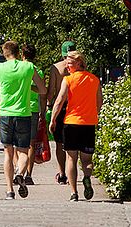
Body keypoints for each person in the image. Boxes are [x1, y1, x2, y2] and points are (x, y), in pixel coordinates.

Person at [0, 41, 46, 200]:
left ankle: (9, 191)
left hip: (6, 114)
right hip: (24, 114)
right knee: (23, 151)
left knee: (8, 153)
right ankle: (20, 173)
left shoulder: (0, 68)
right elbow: (42, 90)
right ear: (18, 52)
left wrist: (3, 89)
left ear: (5, 53)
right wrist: (27, 86)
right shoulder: (29, 67)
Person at [50, 50, 102, 201]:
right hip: (88, 124)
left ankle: (74, 193)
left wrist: (53, 119)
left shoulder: (68, 80)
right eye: (66, 64)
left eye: (70, 64)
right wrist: (93, 113)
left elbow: (59, 102)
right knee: (87, 160)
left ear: (79, 63)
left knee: (71, 159)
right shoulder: (94, 79)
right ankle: (86, 177)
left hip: (71, 123)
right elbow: (99, 102)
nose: (67, 67)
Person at [47, 41, 77, 185]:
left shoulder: (56, 68)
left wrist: (48, 104)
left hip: (60, 107)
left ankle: (62, 173)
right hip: (74, 107)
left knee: (59, 143)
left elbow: (51, 90)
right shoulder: (79, 67)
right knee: (73, 143)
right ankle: (74, 172)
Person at [20, 44, 45, 185]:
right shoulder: (38, 71)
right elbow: (42, 93)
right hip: (34, 109)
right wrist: (43, 110)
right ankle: (28, 175)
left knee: (18, 144)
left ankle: (19, 172)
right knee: (31, 144)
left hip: (18, 108)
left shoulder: (17, 69)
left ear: (22, 55)